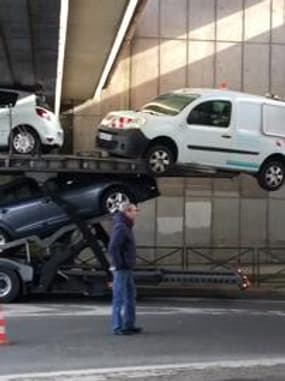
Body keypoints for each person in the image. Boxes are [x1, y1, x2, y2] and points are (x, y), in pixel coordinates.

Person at [108, 202, 142, 336]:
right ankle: (118, 327)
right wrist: (119, 264)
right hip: (122, 268)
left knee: (130, 297)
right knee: (119, 298)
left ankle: (129, 325)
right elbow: (113, 247)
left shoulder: (126, 226)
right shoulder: (121, 227)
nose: (136, 213)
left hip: (127, 268)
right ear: (127, 212)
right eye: (134, 210)